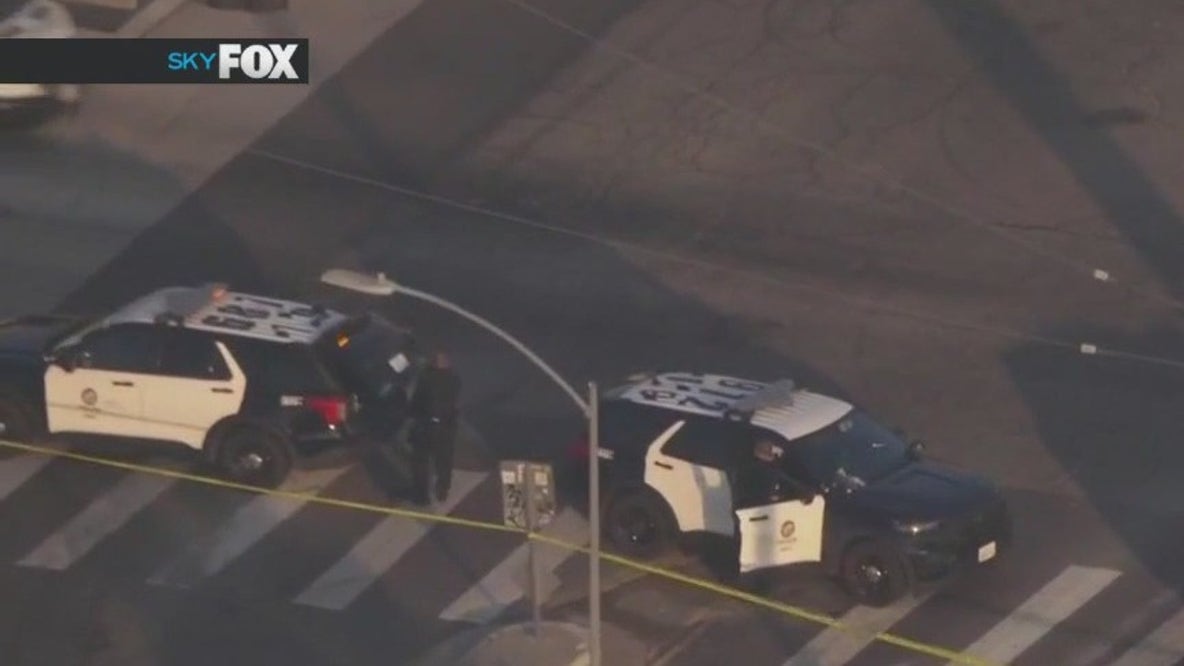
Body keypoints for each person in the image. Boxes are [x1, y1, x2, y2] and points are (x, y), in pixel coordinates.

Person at [407, 351, 461, 506]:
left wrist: (411, 413)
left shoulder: (426, 379)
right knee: (444, 460)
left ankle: (421, 496)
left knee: (420, 461)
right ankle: (442, 489)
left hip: (426, 426)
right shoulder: (454, 379)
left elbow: (416, 403)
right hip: (447, 426)